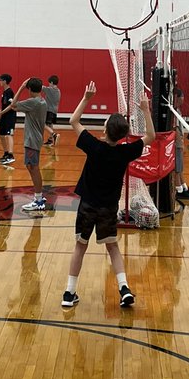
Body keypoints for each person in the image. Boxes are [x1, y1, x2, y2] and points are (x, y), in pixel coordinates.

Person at [61, 81, 156, 309]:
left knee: (80, 247)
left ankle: (68, 293)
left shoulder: (93, 146)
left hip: (87, 206)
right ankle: (124, 289)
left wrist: (86, 98)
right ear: (123, 135)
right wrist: (145, 110)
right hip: (108, 208)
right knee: (112, 247)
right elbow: (151, 136)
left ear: (104, 130)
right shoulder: (125, 151)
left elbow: (73, 120)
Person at [0, 77, 48, 214]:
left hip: (32, 140)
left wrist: (20, 87)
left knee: (33, 167)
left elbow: (13, 105)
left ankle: (38, 200)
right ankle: (39, 197)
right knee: (32, 166)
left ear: (30, 89)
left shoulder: (33, 102)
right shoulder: (42, 101)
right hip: (35, 139)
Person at [171, 88, 189, 202]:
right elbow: (175, 128)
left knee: (180, 167)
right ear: (177, 97)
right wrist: (180, 142)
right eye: (182, 96)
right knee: (177, 168)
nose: (184, 99)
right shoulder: (173, 111)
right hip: (177, 142)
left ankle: (184, 188)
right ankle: (178, 191)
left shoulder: (177, 110)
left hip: (179, 140)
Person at [0, 73, 16, 165]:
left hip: (10, 117)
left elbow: (11, 106)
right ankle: (6, 153)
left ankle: (11, 155)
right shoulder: (4, 92)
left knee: (9, 135)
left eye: (0, 80)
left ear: (4, 81)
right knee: (1, 135)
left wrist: (1, 113)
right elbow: (3, 106)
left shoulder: (9, 92)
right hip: (4, 116)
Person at [43, 75, 61, 147]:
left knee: (42, 124)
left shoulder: (49, 89)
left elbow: (40, 87)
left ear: (52, 82)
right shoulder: (58, 91)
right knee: (50, 125)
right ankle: (50, 140)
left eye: (49, 83)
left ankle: (54, 135)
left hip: (48, 110)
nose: (48, 84)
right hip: (54, 110)